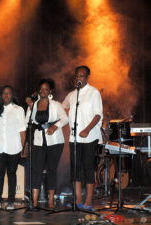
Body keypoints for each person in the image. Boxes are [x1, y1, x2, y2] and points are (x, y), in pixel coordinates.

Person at [62, 65, 103, 210]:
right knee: (75, 169)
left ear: (87, 77)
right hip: (74, 138)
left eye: (82, 76)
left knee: (88, 168)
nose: (79, 78)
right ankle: (78, 199)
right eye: (77, 76)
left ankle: (89, 200)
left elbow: (98, 115)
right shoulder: (73, 95)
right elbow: (63, 107)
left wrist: (87, 129)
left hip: (90, 136)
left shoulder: (94, 93)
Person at [26, 79, 68, 208]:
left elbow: (65, 118)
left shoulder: (56, 104)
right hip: (38, 140)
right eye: (41, 89)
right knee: (36, 170)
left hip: (55, 141)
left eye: (46, 89)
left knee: (51, 170)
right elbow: (27, 120)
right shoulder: (34, 104)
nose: (43, 91)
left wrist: (55, 126)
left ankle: (50, 201)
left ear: (50, 91)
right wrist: (30, 107)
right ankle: (34, 201)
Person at [0, 85, 26, 210]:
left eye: (9, 93)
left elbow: (22, 131)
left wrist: (23, 147)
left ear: (12, 95)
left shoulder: (18, 109)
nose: (6, 95)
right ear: (1, 95)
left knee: (11, 174)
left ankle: (11, 200)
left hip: (14, 147)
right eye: (4, 93)